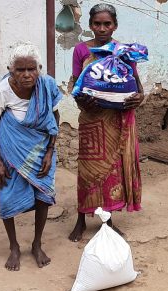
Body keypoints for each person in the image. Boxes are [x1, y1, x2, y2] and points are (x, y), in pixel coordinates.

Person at [69, 3, 144, 242]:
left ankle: (107, 221)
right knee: (87, 172)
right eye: (97, 24)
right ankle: (81, 219)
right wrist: (83, 103)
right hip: (91, 120)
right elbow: (75, 84)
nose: (102, 28)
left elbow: (137, 87)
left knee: (112, 173)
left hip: (117, 121)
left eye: (107, 24)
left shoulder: (123, 51)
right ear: (90, 25)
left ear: (115, 26)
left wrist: (138, 98)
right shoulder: (81, 50)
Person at [0, 42, 62, 270]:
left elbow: (55, 118)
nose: (27, 75)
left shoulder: (47, 86)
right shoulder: (3, 90)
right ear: (11, 70)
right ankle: (14, 247)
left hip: (40, 150)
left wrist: (49, 151)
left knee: (42, 196)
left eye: (32, 69)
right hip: (10, 152)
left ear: (38, 68)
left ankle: (37, 244)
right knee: (6, 197)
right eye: (20, 70)